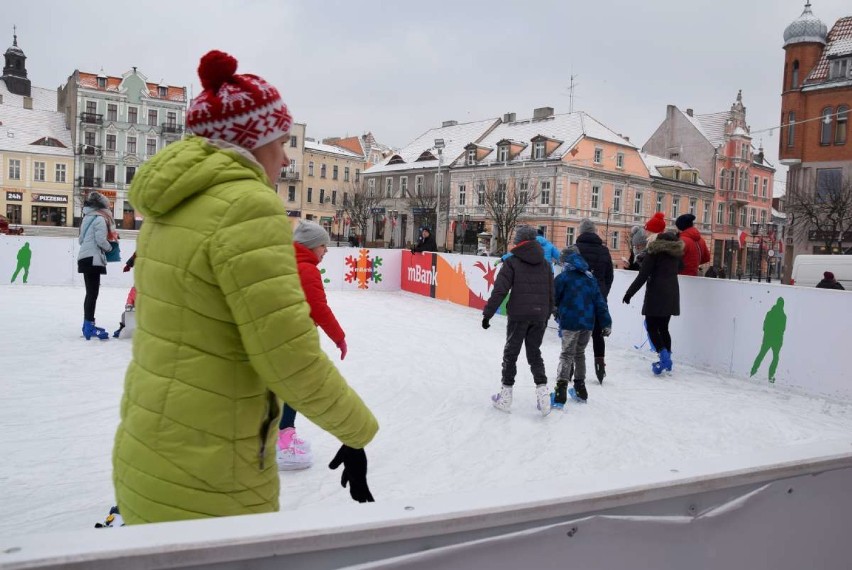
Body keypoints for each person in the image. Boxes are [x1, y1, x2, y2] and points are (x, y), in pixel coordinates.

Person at [112, 50, 378, 525]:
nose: (285, 156)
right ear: (253, 144)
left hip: (149, 445)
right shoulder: (247, 207)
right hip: (213, 468)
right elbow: (287, 355)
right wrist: (357, 430)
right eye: (279, 142)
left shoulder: (171, 205)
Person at [277, 220, 348, 471]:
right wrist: (339, 337)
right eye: (323, 245)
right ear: (310, 246)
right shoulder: (306, 270)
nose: (326, 251)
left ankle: (279, 435)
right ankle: (283, 441)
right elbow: (319, 309)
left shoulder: (285, 263)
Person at [482, 225, 554, 415]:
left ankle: (505, 398)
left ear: (519, 241)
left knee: (511, 354)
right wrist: (548, 314)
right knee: (534, 354)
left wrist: (487, 313)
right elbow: (550, 293)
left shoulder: (512, 262)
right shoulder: (546, 264)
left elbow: (500, 290)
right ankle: (544, 399)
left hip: (519, 316)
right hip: (539, 316)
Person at [552, 246, 612, 407]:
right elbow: (600, 303)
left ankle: (560, 392)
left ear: (565, 261)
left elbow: (553, 298)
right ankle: (580, 389)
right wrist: (606, 323)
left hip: (570, 323)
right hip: (587, 323)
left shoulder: (563, 278)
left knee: (566, 355)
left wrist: (554, 310)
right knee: (579, 354)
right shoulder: (590, 278)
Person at [622, 231, 685, 375]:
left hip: (656, 294)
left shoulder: (654, 253)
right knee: (663, 328)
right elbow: (681, 267)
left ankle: (664, 356)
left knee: (651, 326)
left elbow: (642, 275)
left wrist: (629, 293)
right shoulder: (676, 255)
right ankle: (667, 359)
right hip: (672, 294)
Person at [574, 218, 613, 383]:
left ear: (581, 232)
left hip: (577, 297)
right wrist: (603, 292)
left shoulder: (574, 249)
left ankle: (569, 368)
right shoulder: (604, 251)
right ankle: (600, 367)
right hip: (598, 297)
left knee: (574, 332)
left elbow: (568, 274)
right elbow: (609, 276)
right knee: (598, 334)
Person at [77, 191, 116, 340]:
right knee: (93, 294)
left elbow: (81, 240)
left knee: (90, 293)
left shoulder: (87, 218)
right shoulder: (99, 219)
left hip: (85, 258)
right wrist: (110, 248)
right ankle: (89, 326)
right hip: (93, 259)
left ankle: (88, 324)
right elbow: (101, 240)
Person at [750, 297, 787, 383]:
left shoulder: (770, 313)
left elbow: (765, 326)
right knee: (775, 358)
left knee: (762, 355)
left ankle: (753, 370)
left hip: (768, 338)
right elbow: (782, 329)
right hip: (776, 340)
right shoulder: (783, 316)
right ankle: (770, 375)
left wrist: (768, 333)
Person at [112, 252, 137, 338]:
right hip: (135, 310)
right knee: (124, 314)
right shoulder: (135, 289)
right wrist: (129, 305)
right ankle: (123, 327)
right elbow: (130, 297)